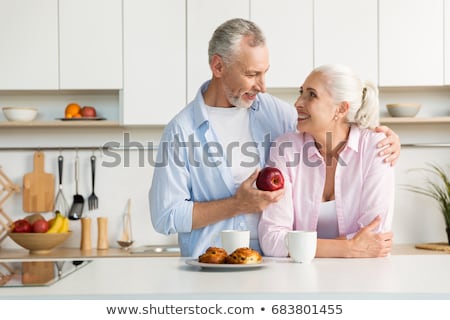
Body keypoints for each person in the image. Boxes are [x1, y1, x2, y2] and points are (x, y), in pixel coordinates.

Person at [149, 18, 400, 258]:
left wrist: (384, 137)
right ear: (218, 67)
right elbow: (166, 216)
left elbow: (328, 123)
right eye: (251, 74)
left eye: (264, 73)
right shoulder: (181, 131)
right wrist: (236, 204)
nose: (262, 86)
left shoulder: (271, 111)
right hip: (211, 265)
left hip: (272, 268)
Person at [258, 64, 394, 258]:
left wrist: (300, 247)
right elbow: (272, 240)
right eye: (301, 92)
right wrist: (349, 248)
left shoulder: (376, 147)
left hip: (363, 276)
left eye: (311, 95)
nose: (297, 102)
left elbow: (375, 238)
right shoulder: (285, 148)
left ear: (341, 108)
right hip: (300, 278)